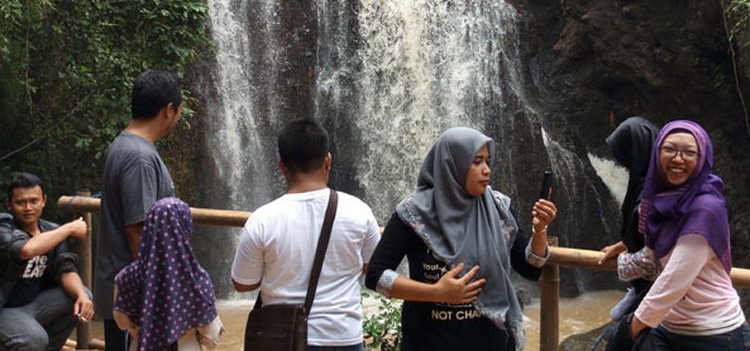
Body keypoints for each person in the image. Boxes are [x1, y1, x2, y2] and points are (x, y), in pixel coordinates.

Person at [364, 127, 557, 351]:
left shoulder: (498, 208)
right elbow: (376, 275)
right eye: (477, 162)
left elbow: (530, 268)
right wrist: (436, 292)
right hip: (429, 343)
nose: (487, 170)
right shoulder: (413, 214)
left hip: (490, 343)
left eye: (487, 161)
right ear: (452, 164)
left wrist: (540, 230)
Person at [231, 118, 381, 350]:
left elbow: (242, 283)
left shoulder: (262, 220)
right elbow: (375, 268)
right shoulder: (359, 212)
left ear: (282, 166)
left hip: (283, 337)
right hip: (343, 337)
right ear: (328, 160)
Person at [625, 120, 750, 349]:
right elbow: (659, 248)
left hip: (715, 334)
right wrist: (623, 247)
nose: (678, 158)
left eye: (689, 152)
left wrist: (631, 329)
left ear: (702, 159)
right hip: (668, 325)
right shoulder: (662, 200)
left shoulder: (705, 208)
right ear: (657, 153)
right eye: (669, 149)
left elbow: (674, 278)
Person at [94, 70, 183, 351]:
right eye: (179, 111)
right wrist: (154, 296)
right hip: (133, 297)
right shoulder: (140, 158)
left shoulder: (124, 146)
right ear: (168, 110)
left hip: (123, 290)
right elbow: (138, 230)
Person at [113, 198, 223, 350]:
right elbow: (212, 335)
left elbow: (121, 322)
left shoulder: (126, 276)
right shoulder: (197, 278)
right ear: (185, 228)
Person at [0, 172, 94, 350]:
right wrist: (68, 228)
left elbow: (66, 269)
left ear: (43, 200)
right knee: (35, 338)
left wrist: (80, 295)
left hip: (35, 305)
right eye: (20, 202)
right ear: (9, 205)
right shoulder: (3, 228)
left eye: (34, 201)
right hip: (5, 310)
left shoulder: (51, 230)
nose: (28, 207)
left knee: (83, 295)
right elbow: (25, 250)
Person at [598, 116, 660, 319]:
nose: (621, 162)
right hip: (646, 288)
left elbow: (655, 256)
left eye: (623, 153)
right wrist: (622, 245)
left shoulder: (654, 195)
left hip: (659, 293)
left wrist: (622, 262)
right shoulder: (647, 185)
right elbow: (645, 235)